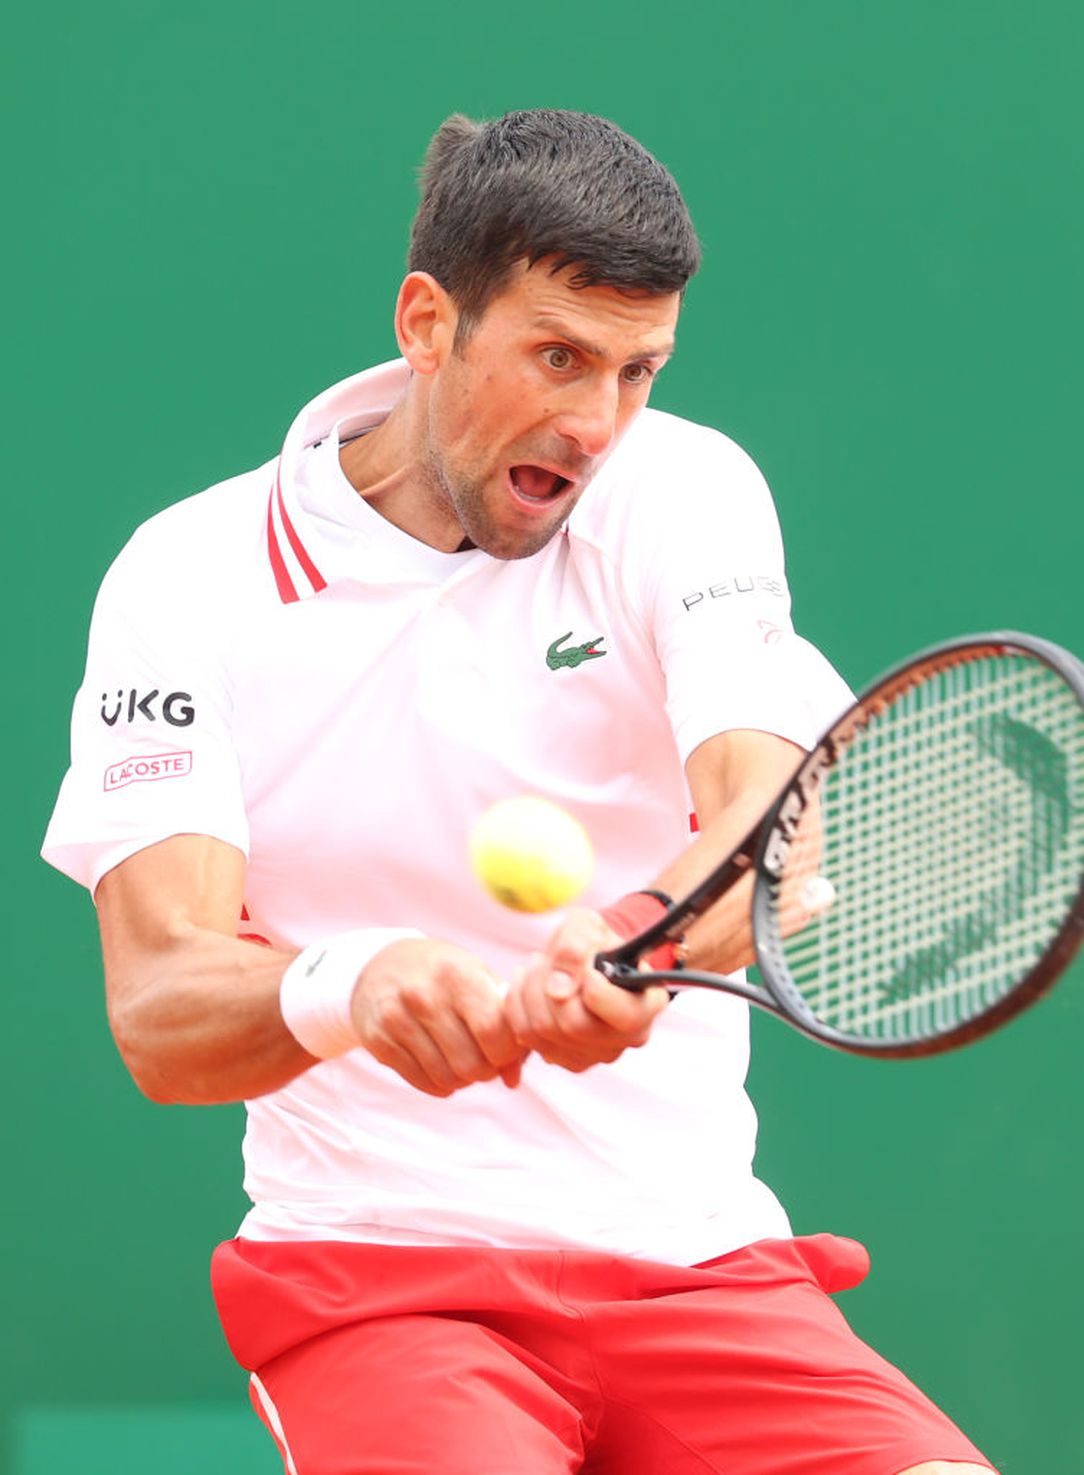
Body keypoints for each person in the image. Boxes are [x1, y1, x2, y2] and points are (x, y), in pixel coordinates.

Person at [43, 109, 995, 1475]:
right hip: (383, 1284)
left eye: (637, 370)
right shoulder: (186, 579)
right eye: (559, 357)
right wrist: (352, 984)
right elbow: (160, 1010)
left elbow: (770, 820)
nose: (597, 423)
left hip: (699, 1269)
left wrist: (638, 940)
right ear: (428, 323)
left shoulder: (684, 489)